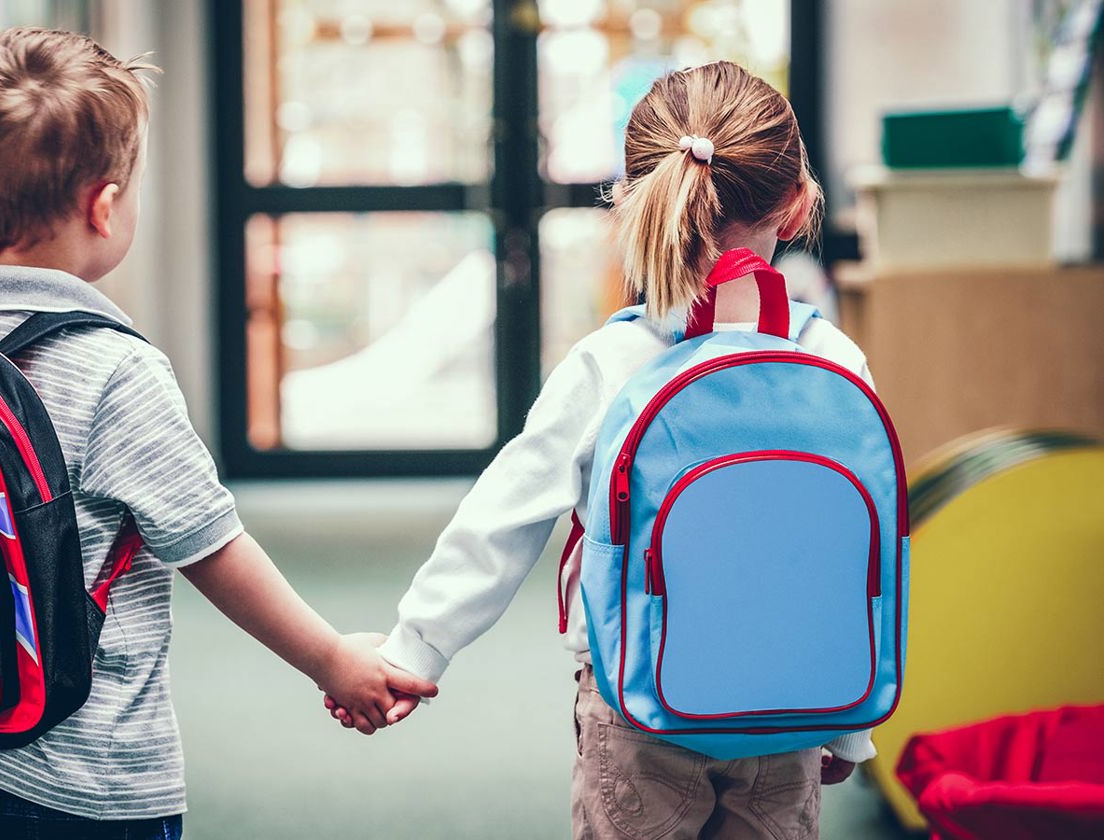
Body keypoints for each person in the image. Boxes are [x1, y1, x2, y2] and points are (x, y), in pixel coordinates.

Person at [0, 27, 435, 839]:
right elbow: (210, 546)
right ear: (106, 205)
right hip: (87, 782)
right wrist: (334, 659)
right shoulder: (114, 372)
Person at [328, 61, 875, 839]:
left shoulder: (609, 366)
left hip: (638, 709)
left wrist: (414, 649)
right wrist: (849, 718)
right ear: (795, 207)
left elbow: (503, 519)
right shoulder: (837, 365)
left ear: (632, 200)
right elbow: (852, 558)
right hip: (786, 712)